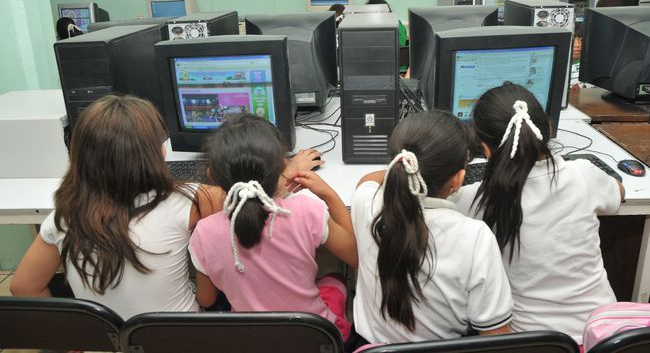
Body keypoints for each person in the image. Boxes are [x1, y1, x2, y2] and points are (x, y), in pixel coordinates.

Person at [10, 95, 223, 319]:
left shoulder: (64, 217)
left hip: (102, 336)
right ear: (157, 153)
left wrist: (73, 330)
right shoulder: (188, 200)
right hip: (175, 333)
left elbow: (23, 287)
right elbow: (239, 198)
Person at [453, 83, 625, 345]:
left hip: (539, 344)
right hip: (605, 337)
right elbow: (619, 193)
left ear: (485, 150)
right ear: (547, 129)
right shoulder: (583, 175)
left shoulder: (476, 199)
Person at [350, 110, 513, 346]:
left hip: (369, 347)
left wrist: (403, 170)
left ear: (396, 163)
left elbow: (367, 181)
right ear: (458, 179)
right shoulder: (475, 237)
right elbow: (496, 338)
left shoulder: (367, 204)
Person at [188, 113, 357, 341]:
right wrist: (329, 195)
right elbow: (354, 256)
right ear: (283, 167)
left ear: (211, 175)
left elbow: (206, 299)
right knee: (335, 280)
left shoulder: (203, 233)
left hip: (251, 343)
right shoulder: (306, 210)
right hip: (315, 339)